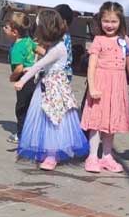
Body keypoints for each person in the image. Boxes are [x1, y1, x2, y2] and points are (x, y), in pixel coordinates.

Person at [15, 9, 90, 170]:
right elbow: (44, 65)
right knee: (44, 118)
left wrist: (22, 80)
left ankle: (52, 154)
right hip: (47, 85)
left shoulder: (58, 48)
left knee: (54, 119)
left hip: (55, 89)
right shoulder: (55, 45)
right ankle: (48, 151)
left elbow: (40, 64)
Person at [80, 2, 129, 173]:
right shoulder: (98, 40)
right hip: (101, 84)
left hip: (117, 85)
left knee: (111, 123)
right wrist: (92, 87)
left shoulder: (125, 41)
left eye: (113, 21)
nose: (109, 25)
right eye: (106, 21)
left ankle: (106, 156)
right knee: (96, 122)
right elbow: (92, 66)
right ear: (100, 21)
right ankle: (92, 156)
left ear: (121, 22)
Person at [5, 12, 37, 145]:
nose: (4, 29)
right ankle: (31, 132)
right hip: (33, 77)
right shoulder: (28, 41)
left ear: (15, 32)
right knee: (30, 106)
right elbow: (38, 49)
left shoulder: (17, 48)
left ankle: (21, 134)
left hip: (23, 79)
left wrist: (12, 77)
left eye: (6, 27)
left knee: (21, 108)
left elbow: (19, 68)